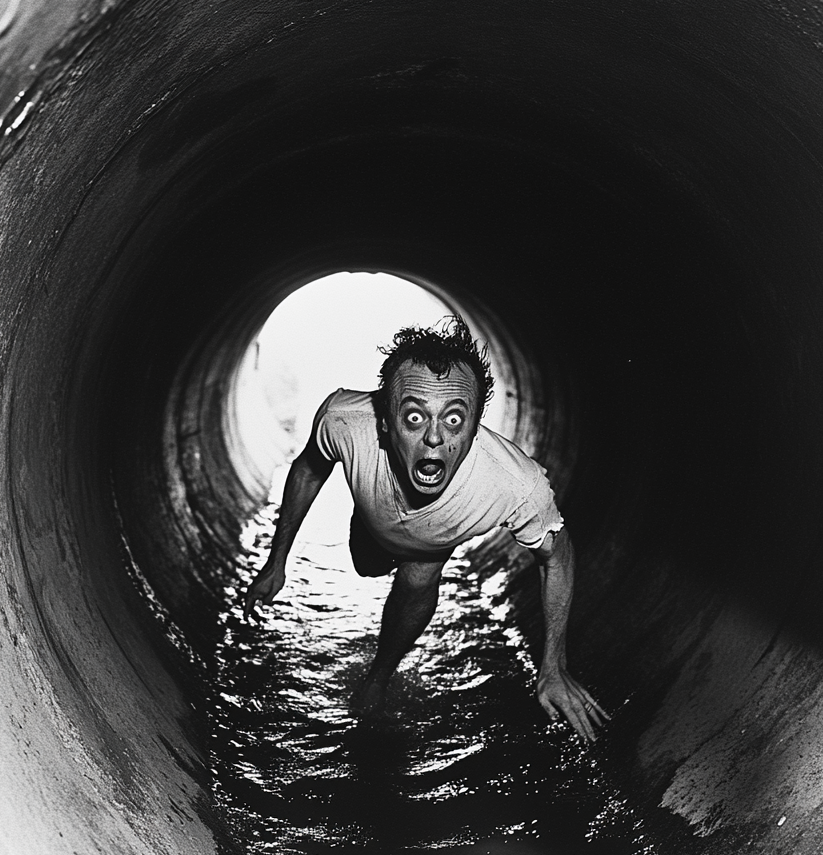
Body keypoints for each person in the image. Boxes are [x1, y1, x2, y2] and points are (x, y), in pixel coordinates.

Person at [243, 315, 607, 739]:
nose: (434, 439)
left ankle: (378, 678)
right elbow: (307, 470)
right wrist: (277, 560)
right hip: (374, 517)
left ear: (476, 427)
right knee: (367, 564)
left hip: (434, 542)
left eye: (454, 419)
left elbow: (557, 554)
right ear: (385, 422)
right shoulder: (344, 420)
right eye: (414, 418)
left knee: (419, 576)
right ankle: (376, 528)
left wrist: (554, 666)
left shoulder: (515, 485)